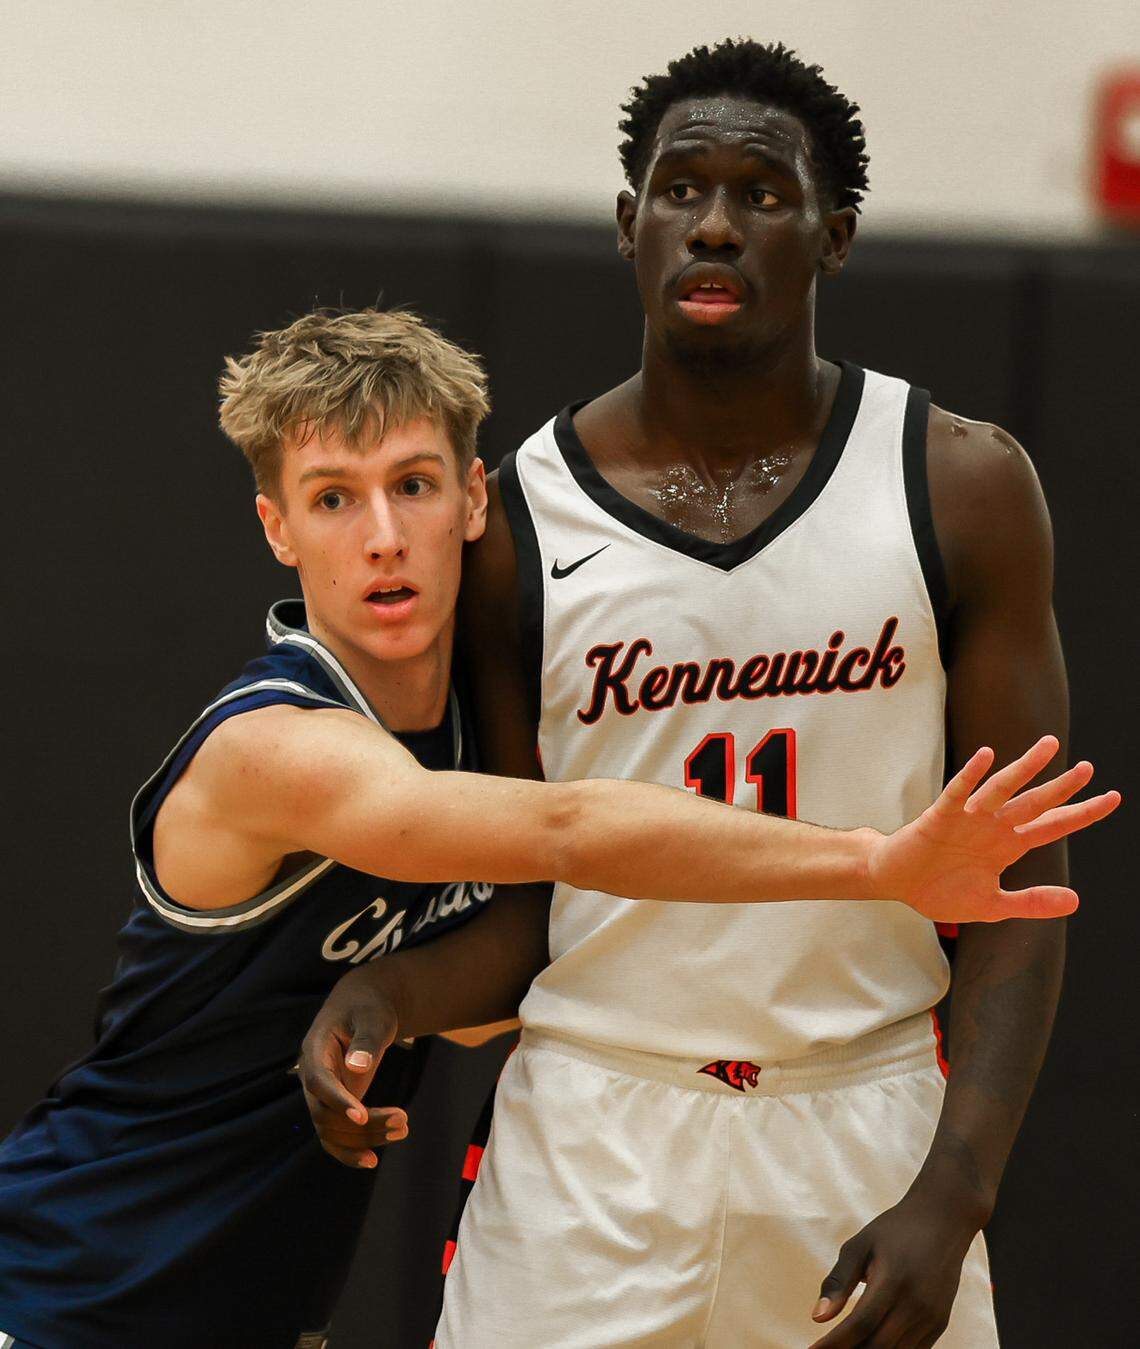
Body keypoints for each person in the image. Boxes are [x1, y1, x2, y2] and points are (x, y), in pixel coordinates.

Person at [0, 310, 1106, 1349]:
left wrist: (393, 995)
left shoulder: (485, 724)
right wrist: (875, 860)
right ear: (276, 527)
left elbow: (528, 964)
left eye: (413, 485)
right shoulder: (276, 746)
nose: (383, 537)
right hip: (65, 1286)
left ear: (475, 499)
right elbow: (576, 829)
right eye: (334, 499)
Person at [403, 38, 1106, 1349]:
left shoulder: (960, 485)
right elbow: (516, 905)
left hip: (864, 1114)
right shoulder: (515, 522)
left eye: (762, 195)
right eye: (681, 190)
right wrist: (376, 1003)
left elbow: (1023, 878)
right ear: (630, 224)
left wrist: (953, 1194)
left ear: (834, 237)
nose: (714, 226)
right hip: (593, 1129)